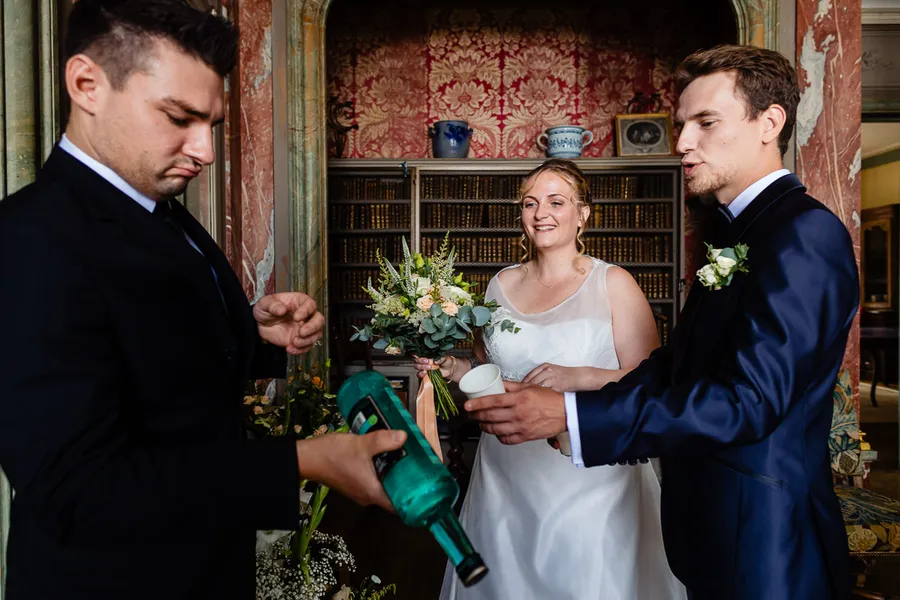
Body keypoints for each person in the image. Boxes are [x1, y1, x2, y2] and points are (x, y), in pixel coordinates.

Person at [0, 1, 405, 599]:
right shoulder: (29, 239)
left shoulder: (158, 210)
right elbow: (74, 490)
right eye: (178, 117)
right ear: (86, 84)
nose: (204, 151)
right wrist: (301, 461)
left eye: (210, 125)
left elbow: (148, 360)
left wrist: (251, 334)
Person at [465, 45, 858, 600]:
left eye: (705, 123)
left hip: (766, 543)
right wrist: (567, 413)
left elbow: (747, 401)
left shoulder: (803, 235)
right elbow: (673, 371)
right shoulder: (734, 235)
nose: (682, 143)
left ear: (770, 122)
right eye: (681, 125)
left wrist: (576, 418)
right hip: (712, 529)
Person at [414, 159, 686, 600]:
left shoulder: (613, 283)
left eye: (556, 202)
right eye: (530, 203)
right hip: (504, 477)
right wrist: (451, 368)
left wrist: (577, 375)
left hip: (589, 476)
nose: (541, 213)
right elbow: (488, 372)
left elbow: (651, 385)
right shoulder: (499, 285)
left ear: (582, 214)